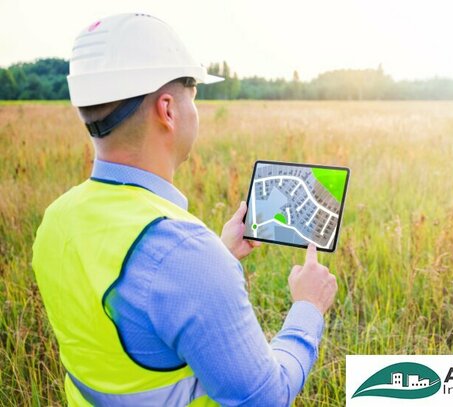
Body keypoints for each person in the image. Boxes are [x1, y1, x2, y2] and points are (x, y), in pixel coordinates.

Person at [32, 13, 338, 407]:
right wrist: (308, 308)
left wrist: (219, 252)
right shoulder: (183, 254)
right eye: (193, 97)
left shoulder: (57, 220)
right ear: (168, 110)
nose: (196, 111)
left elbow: (131, 314)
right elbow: (266, 397)